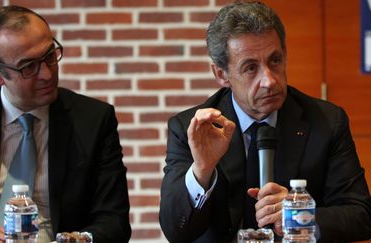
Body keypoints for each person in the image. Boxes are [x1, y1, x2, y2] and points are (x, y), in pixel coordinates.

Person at [159, 1, 371, 242]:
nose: (269, 80)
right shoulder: (193, 129)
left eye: (275, 60)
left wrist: (301, 215)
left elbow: (361, 216)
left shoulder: (327, 121)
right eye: (250, 68)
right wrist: (202, 171)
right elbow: (176, 231)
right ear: (221, 74)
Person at [0, 5, 131, 243]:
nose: (47, 74)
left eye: (50, 56)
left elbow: (114, 221)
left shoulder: (93, 119)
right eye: (28, 66)